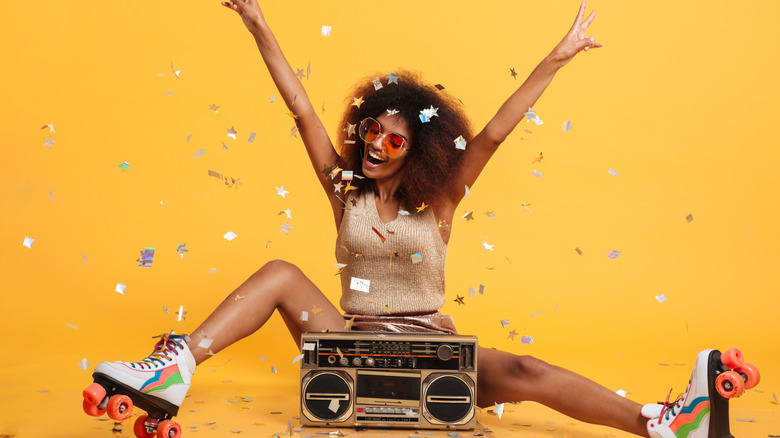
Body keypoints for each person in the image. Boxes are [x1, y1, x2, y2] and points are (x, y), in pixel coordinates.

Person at [86, 2, 758, 438]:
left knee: (525, 371)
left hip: (432, 350)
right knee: (282, 271)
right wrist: (257, 22)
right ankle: (174, 367)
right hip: (350, 345)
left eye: (394, 140)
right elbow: (301, 108)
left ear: (420, 153)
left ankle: (665, 424)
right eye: (371, 133)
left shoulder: (439, 203)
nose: (377, 146)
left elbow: (493, 134)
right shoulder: (344, 192)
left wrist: (556, 59)